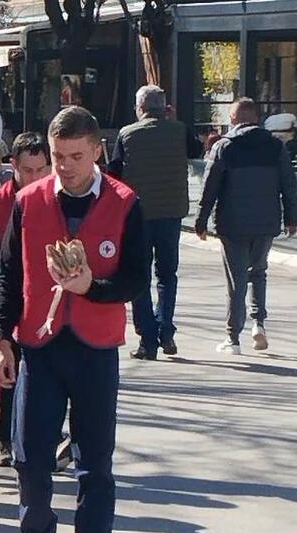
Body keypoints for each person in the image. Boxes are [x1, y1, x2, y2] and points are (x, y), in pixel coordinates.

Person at [0, 106, 148, 533]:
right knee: (29, 458)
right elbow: (8, 275)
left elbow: (134, 282)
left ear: (97, 151)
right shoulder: (29, 200)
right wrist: (0, 337)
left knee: (94, 468)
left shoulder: (125, 204)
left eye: (75, 157)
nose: (65, 167)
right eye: (58, 158)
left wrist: (92, 288)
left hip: (95, 348)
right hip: (40, 344)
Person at [195, 97, 297, 354]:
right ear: (257, 118)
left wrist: (201, 220)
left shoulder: (224, 147)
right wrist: (292, 219)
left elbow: (210, 187)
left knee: (236, 279)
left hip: (233, 223)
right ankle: (259, 324)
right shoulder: (275, 147)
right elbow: (288, 185)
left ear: (233, 119)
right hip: (266, 221)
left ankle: (233, 337)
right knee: (258, 272)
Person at [0, 132, 52, 467]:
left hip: (47, 305)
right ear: (13, 167)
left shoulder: (57, 198)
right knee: (6, 372)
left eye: (41, 169)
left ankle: (45, 436)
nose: (35, 177)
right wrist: (2, 311)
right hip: (8, 303)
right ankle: (3, 438)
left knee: (44, 376)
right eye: (28, 170)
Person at [108, 84, 191, 359]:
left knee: (139, 274)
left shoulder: (127, 134)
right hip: (171, 212)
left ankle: (147, 339)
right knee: (167, 274)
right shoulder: (179, 130)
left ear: (139, 108)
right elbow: (196, 150)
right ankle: (166, 329)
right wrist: (173, 118)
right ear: (164, 108)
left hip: (138, 214)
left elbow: (114, 174)